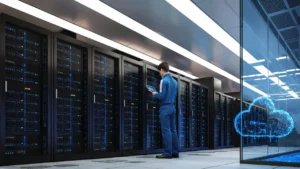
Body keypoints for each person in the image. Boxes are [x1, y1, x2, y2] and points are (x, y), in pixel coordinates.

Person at [151, 61, 179, 159]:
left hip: (165, 108)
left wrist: (155, 93)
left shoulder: (164, 80)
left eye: (160, 71)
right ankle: (175, 152)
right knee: (173, 130)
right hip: (172, 107)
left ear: (162, 69)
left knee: (166, 130)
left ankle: (167, 153)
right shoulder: (175, 82)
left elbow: (162, 96)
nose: (160, 73)